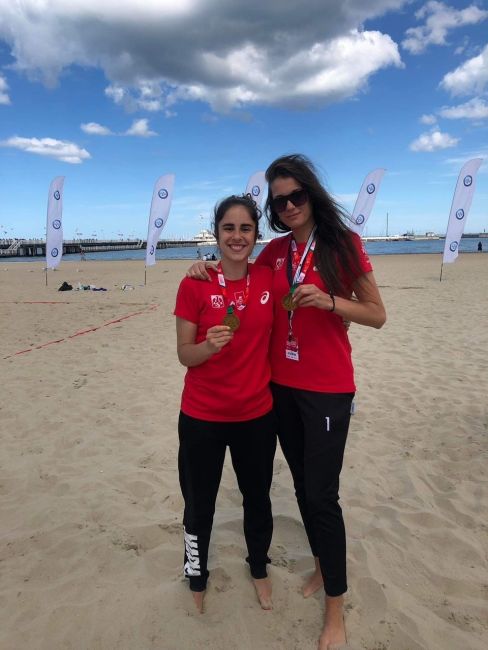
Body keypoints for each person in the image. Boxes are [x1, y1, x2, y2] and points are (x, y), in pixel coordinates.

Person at [187, 155, 386, 649]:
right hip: (279, 388)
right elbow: (237, 270)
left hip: (327, 389)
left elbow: (378, 315)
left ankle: (335, 613)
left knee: (322, 497)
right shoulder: (275, 253)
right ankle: (321, 566)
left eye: (297, 195)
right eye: (280, 200)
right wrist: (205, 265)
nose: (290, 205)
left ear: (311, 194)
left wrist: (331, 301)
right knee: (301, 485)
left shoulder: (344, 246)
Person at [174, 194, 276, 614]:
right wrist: (207, 347)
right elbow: (184, 354)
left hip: (256, 414)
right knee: (200, 502)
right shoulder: (194, 283)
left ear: (256, 234)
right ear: (216, 233)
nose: (237, 236)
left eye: (245, 228)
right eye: (228, 228)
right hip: (202, 416)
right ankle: (196, 574)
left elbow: (302, 308)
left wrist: (338, 313)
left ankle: (259, 568)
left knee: (258, 498)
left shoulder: (270, 279)